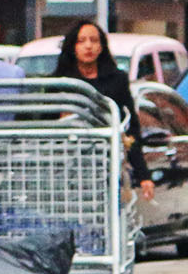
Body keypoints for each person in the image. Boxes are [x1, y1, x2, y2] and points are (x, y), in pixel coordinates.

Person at [51, 21, 155, 205]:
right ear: (72, 47)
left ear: (102, 47)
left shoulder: (117, 80)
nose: (88, 46)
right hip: (64, 168)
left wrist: (143, 174)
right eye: (81, 41)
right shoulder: (59, 83)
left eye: (94, 40)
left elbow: (131, 130)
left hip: (107, 167)